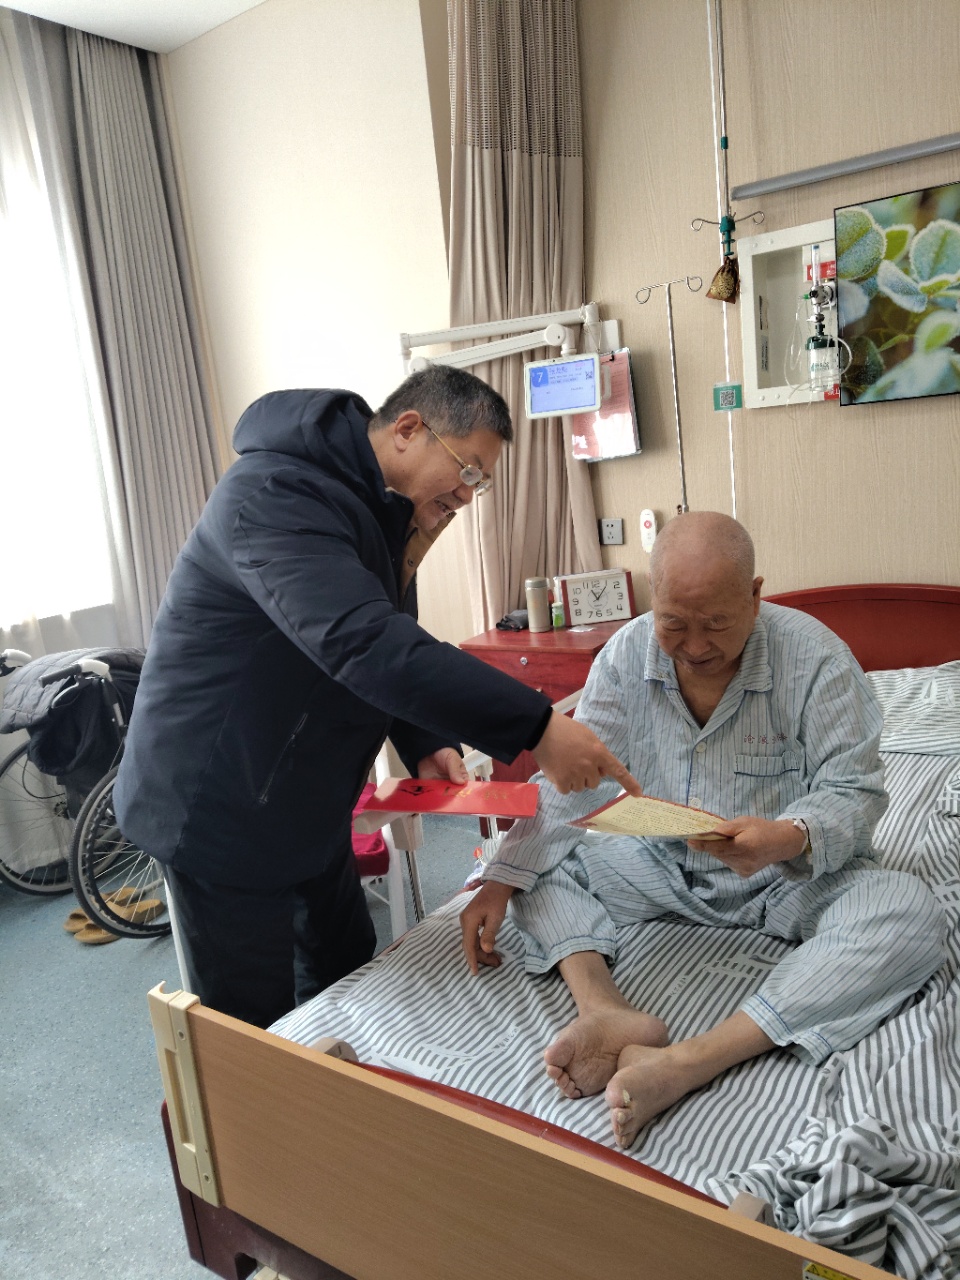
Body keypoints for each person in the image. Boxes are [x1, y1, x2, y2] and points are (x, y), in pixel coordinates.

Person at [114, 366, 638, 1029]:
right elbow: (361, 644)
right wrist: (538, 728)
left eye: (481, 483)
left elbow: (389, 639)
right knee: (252, 1022)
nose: (468, 495)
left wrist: (424, 741)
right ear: (408, 430)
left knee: (345, 970)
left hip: (306, 794)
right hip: (220, 803)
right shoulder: (274, 496)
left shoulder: (382, 515)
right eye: (467, 471)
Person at [460, 512, 946, 1148]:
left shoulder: (819, 659)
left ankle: (689, 1060)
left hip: (785, 880)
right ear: (653, 601)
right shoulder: (625, 656)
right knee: (532, 866)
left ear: (755, 595)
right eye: (673, 623)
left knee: (908, 910)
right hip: (661, 866)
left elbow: (854, 793)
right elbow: (572, 785)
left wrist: (789, 835)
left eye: (716, 623)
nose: (694, 646)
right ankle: (604, 1010)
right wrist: (501, 878)